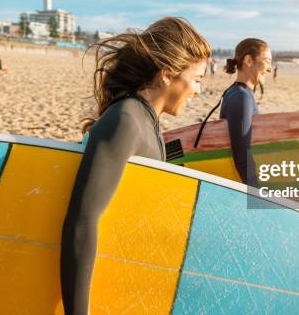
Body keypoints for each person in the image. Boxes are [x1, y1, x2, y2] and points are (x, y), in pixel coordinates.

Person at [60, 17, 210, 315]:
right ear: (167, 75)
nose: (197, 90)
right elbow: (82, 221)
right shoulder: (125, 120)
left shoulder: (151, 125)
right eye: (197, 79)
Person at [220, 38, 271, 188]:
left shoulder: (238, 93)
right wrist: (258, 195)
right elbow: (242, 157)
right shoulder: (241, 97)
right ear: (249, 60)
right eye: (267, 61)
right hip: (241, 186)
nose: (270, 68)